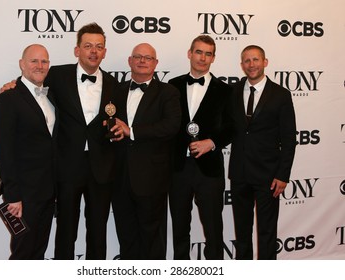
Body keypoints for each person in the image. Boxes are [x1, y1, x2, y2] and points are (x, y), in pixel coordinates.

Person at [0, 23, 122, 260]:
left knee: (98, 231)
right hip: (66, 167)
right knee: (66, 230)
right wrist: (11, 84)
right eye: (88, 46)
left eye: (99, 46)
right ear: (77, 50)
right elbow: (30, 83)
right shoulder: (56, 75)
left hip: (101, 168)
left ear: (105, 52)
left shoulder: (114, 84)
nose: (93, 51)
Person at [112, 43, 181, 259]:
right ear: (130, 61)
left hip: (153, 178)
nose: (142, 61)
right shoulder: (116, 90)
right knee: (126, 236)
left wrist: (131, 131)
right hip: (120, 177)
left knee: (153, 239)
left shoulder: (168, 92)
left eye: (148, 58)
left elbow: (170, 127)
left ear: (156, 64)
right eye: (138, 57)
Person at [168, 35, 233, 260]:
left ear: (213, 58)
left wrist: (212, 142)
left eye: (208, 54)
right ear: (189, 53)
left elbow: (232, 127)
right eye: (198, 52)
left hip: (209, 169)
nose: (202, 58)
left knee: (214, 227)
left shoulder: (226, 91)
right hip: (178, 167)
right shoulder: (172, 86)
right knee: (179, 225)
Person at [229, 45, 296, 260]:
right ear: (242, 65)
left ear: (265, 62)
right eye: (247, 61)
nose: (251, 64)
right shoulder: (234, 91)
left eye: (255, 59)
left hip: (268, 175)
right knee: (242, 231)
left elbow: (288, 139)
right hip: (239, 173)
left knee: (267, 232)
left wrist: (282, 175)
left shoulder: (281, 95)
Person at [0, 44, 58, 259]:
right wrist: (12, 195)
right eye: (34, 61)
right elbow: (4, 150)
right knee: (22, 253)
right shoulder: (7, 99)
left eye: (44, 61)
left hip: (48, 192)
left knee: (39, 250)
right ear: (22, 64)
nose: (40, 66)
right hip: (23, 195)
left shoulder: (52, 96)